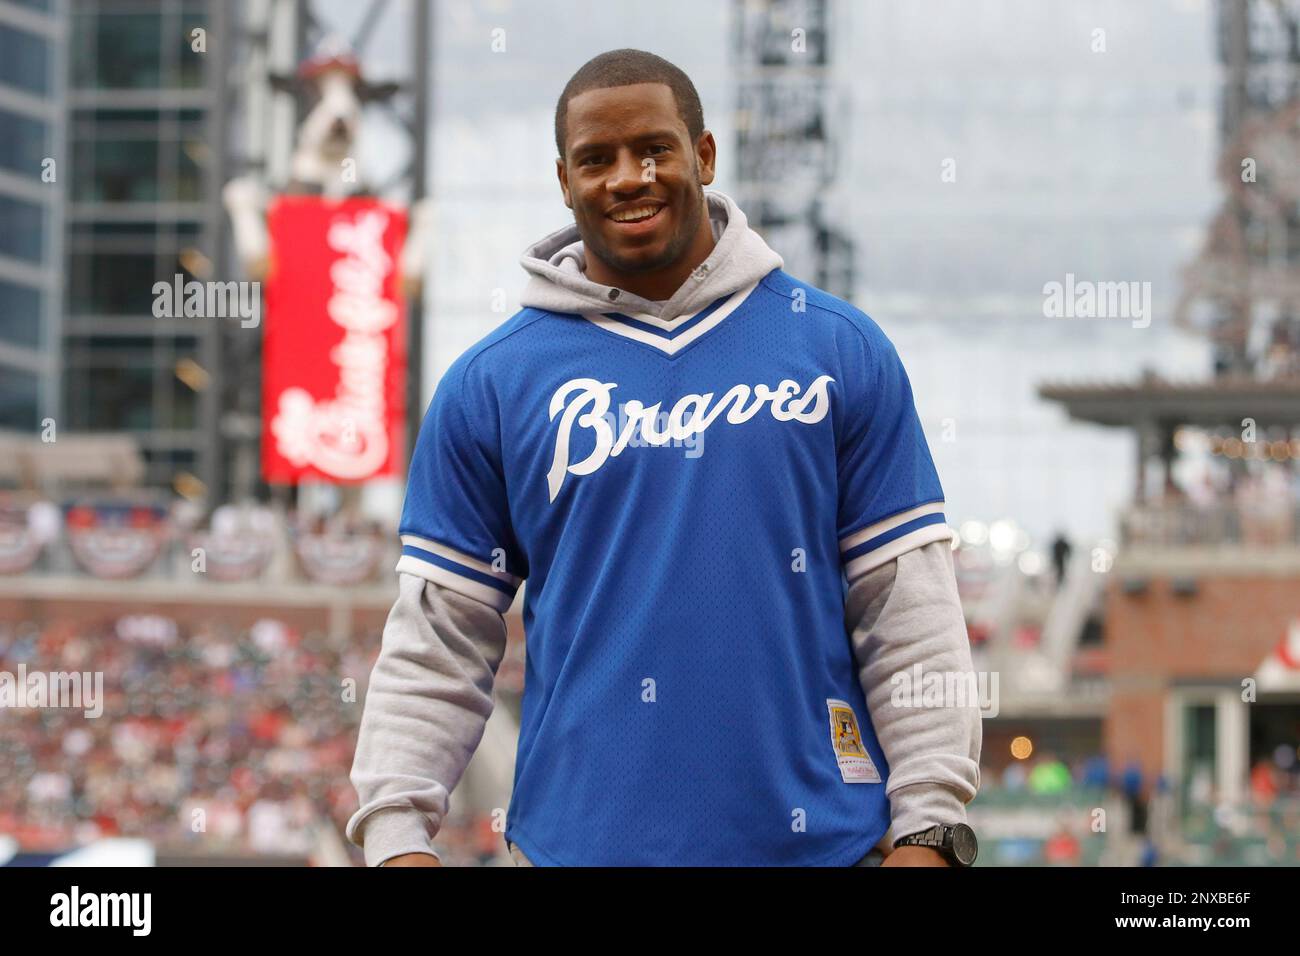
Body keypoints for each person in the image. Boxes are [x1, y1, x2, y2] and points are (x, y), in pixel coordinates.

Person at [347, 49, 981, 867]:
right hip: (571, 852)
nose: (626, 177)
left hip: (823, 849)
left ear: (704, 156)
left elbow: (908, 608)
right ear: (564, 180)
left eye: (653, 149)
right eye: (596, 160)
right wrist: (396, 837)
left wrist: (930, 827)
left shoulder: (836, 349)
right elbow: (440, 637)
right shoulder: (490, 383)